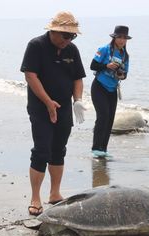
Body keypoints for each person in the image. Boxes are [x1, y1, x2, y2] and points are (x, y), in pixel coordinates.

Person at [20, 11, 87, 216]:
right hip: (41, 107)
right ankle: (35, 197)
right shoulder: (36, 46)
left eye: (72, 36)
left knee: (59, 149)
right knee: (42, 149)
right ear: (54, 31)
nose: (69, 40)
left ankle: (55, 193)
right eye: (66, 36)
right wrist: (48, 102)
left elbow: (78, 78)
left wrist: (78, 101)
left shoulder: (71, 50)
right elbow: (30, 75)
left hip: (64, 107)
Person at [90, 25, 131, 158]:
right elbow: (93, 66)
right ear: (114, 37)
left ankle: (104, 149)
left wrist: (121, 75)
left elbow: (125, 75)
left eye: (124, 38)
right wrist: (107, 66)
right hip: (99, 86)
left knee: (109, 119)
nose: (122, 40)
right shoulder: (104, 49)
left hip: (112, 89)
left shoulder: (125, 55)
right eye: (119, 37)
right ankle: (96, 148)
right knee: (102, 116)